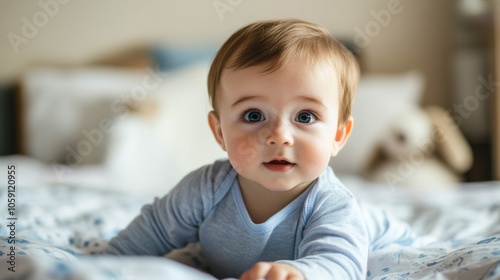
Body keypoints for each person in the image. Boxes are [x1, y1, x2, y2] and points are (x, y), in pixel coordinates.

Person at [105, 18, 369, 279]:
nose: (279, 137)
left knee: (367, 222)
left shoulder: (333, 206)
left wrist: (299, 273)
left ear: (338, 135)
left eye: (305, 117)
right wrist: (101, 266)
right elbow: (152, 231)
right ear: (220, 131)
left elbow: (341, 264)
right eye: (254, 115)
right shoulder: (205, 190)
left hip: (373, 227)